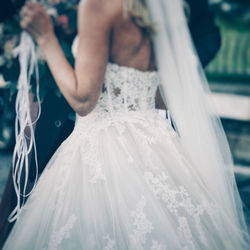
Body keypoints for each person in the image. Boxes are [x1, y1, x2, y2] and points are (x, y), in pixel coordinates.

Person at [4, 0, 249, 249]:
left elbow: (84, 98)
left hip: (102, 142)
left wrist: (46, 37)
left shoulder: (99, 5)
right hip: (156, 138)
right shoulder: (158, 6)